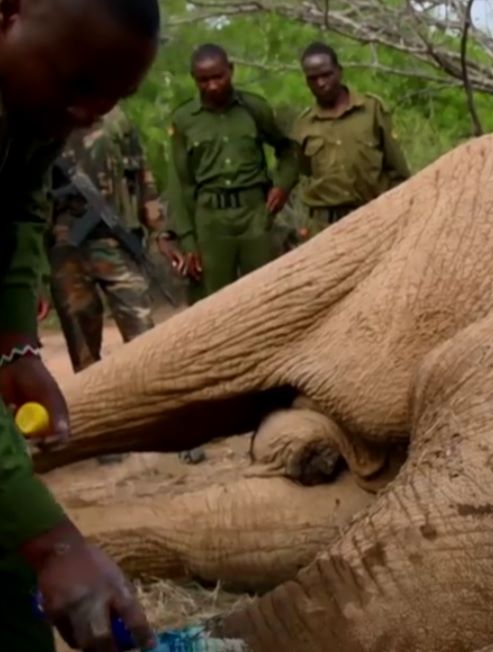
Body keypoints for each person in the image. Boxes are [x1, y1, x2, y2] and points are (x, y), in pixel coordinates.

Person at [0, 0, 162, 649]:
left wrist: (15, 346)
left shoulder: (36, 106)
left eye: (111, 97)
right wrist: (53, 542)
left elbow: (17, 204)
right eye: (77, 85)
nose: (89, 113)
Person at [161, 43, 300, 300]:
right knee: (213, 300)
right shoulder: (184, 119)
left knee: (263, 295)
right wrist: (188, 239)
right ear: (194, 79)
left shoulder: (254, 108)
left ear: (231, 71)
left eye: (218, 77)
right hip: (211, 220)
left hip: (254, 215)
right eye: (204, 80)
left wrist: (282, 185)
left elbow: (288, 150)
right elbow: (181, 184)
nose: (212, 85)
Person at [47, 104, 162, 374]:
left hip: (115, 239)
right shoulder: (45, 115)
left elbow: (142, 172)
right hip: (65, 244)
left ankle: (153, 395)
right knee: (82, 341)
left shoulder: (117, 117)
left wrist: (158, 227)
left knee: (143, 331)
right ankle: (92, 406)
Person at [292, 41, 411, 230]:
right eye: (313, 78)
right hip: (326, 226)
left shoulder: (371, 110)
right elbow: (305, 172)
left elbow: (397, 170)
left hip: (373, 218)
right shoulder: (304, 125)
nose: (321, 83)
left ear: (339, 71)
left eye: (326, 75)